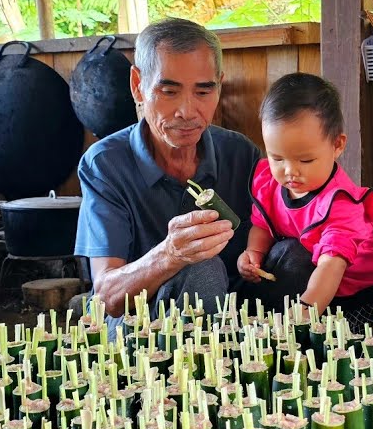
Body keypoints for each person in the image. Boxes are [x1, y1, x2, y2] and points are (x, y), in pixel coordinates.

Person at [76, 18, 261, 318]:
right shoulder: (105, 165)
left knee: (295, 257)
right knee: (203, 267)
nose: (187, 112)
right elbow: (106, 296)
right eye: (169, 91)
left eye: (203, 92)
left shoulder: (241, 154)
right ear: (138, 86)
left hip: (236, 320)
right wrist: (169, 254)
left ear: (219, 87)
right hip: (144, 330)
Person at [236, 73, 373, 325]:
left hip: (358, 293)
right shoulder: (271, 184)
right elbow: (263, 224)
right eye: (277, 158)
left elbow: (332, 266)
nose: (289, 171)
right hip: (309, 280)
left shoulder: (340, 205)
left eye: (305, 160)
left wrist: (307, 308)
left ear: (337, 144)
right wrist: (253, 252)